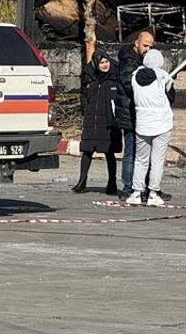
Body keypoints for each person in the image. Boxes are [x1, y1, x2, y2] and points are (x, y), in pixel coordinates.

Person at [73, 52, 128, 194]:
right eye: (101, 62)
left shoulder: (115, 79)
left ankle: (112, 182)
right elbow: (83, 95)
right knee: (87, 151)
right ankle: (82, 181)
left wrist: (117, 115)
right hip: (92, 120)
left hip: (110, 121)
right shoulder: (90, 79)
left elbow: (121, 98)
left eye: (106, 62)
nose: (105, 65)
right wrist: (86, 107)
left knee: (109, 152)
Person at [129, 48, 174, 207]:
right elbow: (171, 95)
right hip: (161, 123)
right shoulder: (163, 76)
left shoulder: (134, 77)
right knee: (157, 160)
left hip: (142, 123)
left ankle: (136, 192)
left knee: (140, 160)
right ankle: (153, 193)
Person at [117, 30, 154, 199]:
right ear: (136, 43)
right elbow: (129, 84)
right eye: (145, 45)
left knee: (145, 153)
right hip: (130, 112)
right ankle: (128, 186)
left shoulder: (146, 61)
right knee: (131, 151)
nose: (148, 49)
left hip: (143, 114)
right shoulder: (128, 61)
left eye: (151, 46)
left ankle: (145, 186)